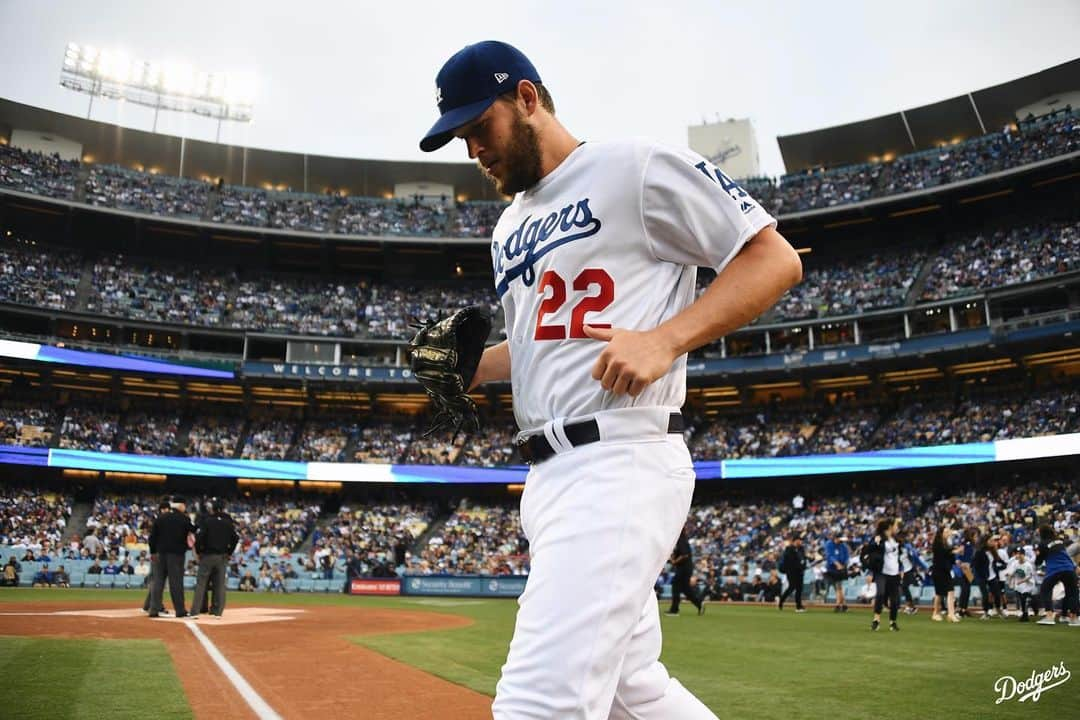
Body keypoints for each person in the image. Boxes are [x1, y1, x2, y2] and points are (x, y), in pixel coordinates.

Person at [420, 40, 801, 718]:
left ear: (528, 99)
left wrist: (666, 339)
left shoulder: (635, 167)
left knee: (538, 702)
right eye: (461, 137)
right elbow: (543, 341)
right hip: (548, 476)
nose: (472, 149)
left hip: (619, 458)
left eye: (481, 127)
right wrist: (474, 368)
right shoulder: (509, 226)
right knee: (634, 691)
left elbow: (773, 260)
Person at [190, 498, 240, 619]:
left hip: (207, 555)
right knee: (220, 584)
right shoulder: (228, 523)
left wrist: (199, 551)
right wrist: (229, 552)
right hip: (222, 556)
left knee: (201, 584)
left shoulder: (208, 521)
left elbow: (199, 538)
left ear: (212, 509)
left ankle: (195, 611)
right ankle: (217, 612)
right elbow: (235, 538)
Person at [148, 496, 194, 619]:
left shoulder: (161, 518)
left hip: (160, 554)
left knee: (158, 581)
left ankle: (154, 609)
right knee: (176, 583)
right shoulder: (184, 518)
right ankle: (180, 610)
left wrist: (153, 552)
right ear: (181, 505)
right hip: (176, 555)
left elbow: (152, 537)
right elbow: (193, 530)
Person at [1034, 525, 1080, 626]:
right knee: (1073, 592)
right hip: (1069, 568)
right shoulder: (1059, 541)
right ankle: (1074, 618)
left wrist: (1037, 557)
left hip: (1054, 570)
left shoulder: (1042, 544)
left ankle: (1049, 616)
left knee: (1045, 590)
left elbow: (1038, 561)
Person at [869, 519, 902, 632]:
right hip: (882, 572)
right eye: (893, 526)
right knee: (881, 593)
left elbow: (899, 556)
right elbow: (871, 551)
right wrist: (876, 543)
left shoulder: (896, 540)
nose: (895, 528)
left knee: (894, 599)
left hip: (894, 572)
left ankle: (893, 622)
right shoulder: (879, 539)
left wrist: (900, 569)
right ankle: (876, 619)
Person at [666, 526, 704, 616]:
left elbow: (685, 555)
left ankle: (674, 610)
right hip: (685, 568)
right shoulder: (681, 539)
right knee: (685, 589)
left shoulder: (681, 539)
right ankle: (699, 604)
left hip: (684, 568)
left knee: (675, 586)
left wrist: (674, 561)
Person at [142, 498, 171, 615]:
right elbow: (152, 539)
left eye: (167, 509)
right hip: (159, 554)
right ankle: (157, 605)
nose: (166, 511)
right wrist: (154, 553)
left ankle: (148, 604)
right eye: (165, 509)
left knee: (156, 580)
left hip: (157, 553)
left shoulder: (159, 521)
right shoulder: (160, 521)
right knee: (158, 581)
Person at [930, 524, 961, 623]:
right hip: (939, 571)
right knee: (940, 593)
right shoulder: (938, 544)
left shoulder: (947, 544)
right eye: (946, 532)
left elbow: (949, 557)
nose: (948, 533)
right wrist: (954, 551)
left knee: (949, 591)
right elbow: (943, 553)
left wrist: (954, 557)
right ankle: (937, 613)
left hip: (945, 570)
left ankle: (949, 613)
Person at [1004, 545, 1036, 622]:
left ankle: (1025, 615)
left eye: (1020, 554)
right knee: (1021, 599)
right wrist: (1009, 576)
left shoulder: (1028, 565)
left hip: (1028, 584)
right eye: (1017, 553)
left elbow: (1029, 576)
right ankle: (1025, 613)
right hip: (1019, 585)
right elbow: (1012, 572)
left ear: (1023, 555)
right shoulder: (1015, 563)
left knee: (1024, 598)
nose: (1018, 555)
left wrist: (1021, 581)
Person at [778, 534, 807, 612]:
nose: (801, 542)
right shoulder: (789, 549)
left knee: (799, 589)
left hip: (800, 571)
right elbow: (790, 562)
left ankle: (799, 606)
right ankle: (782, 600)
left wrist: (803, 566)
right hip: (791, 572)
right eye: (799, 540)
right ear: (795, 541)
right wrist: (799, 565)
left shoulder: (801, 549)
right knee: (792, 587)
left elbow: (804, 558)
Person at [824, 533, 851, 612]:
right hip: (832, 569)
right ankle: (843, 604)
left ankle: (838, 604)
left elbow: (846, 556)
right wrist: (837, 564)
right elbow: (830, 556)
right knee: (837, 587)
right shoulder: (829, 544)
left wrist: (843, 565)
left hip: (841, 568)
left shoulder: (843, 546)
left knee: (838, 586)